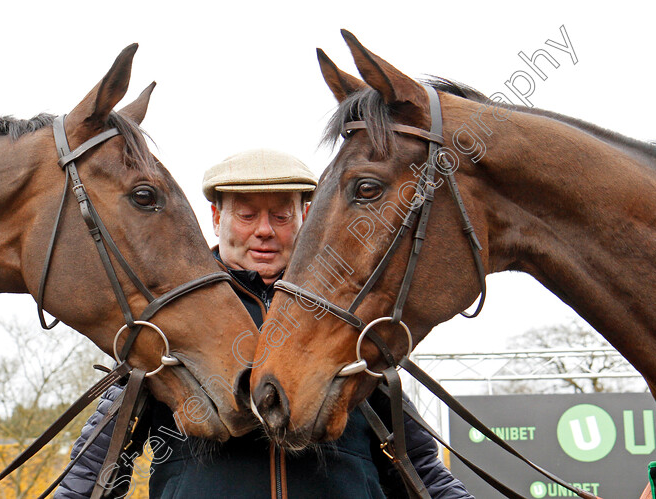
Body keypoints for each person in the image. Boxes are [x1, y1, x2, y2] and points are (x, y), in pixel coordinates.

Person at [55, 149, 473, 499]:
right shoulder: (171, 315)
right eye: (248, 215)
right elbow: (101, 462)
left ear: (307, 216)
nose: (264, 232)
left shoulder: (348, 314)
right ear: (217, 217)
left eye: (280, 216)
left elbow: (417, 466)